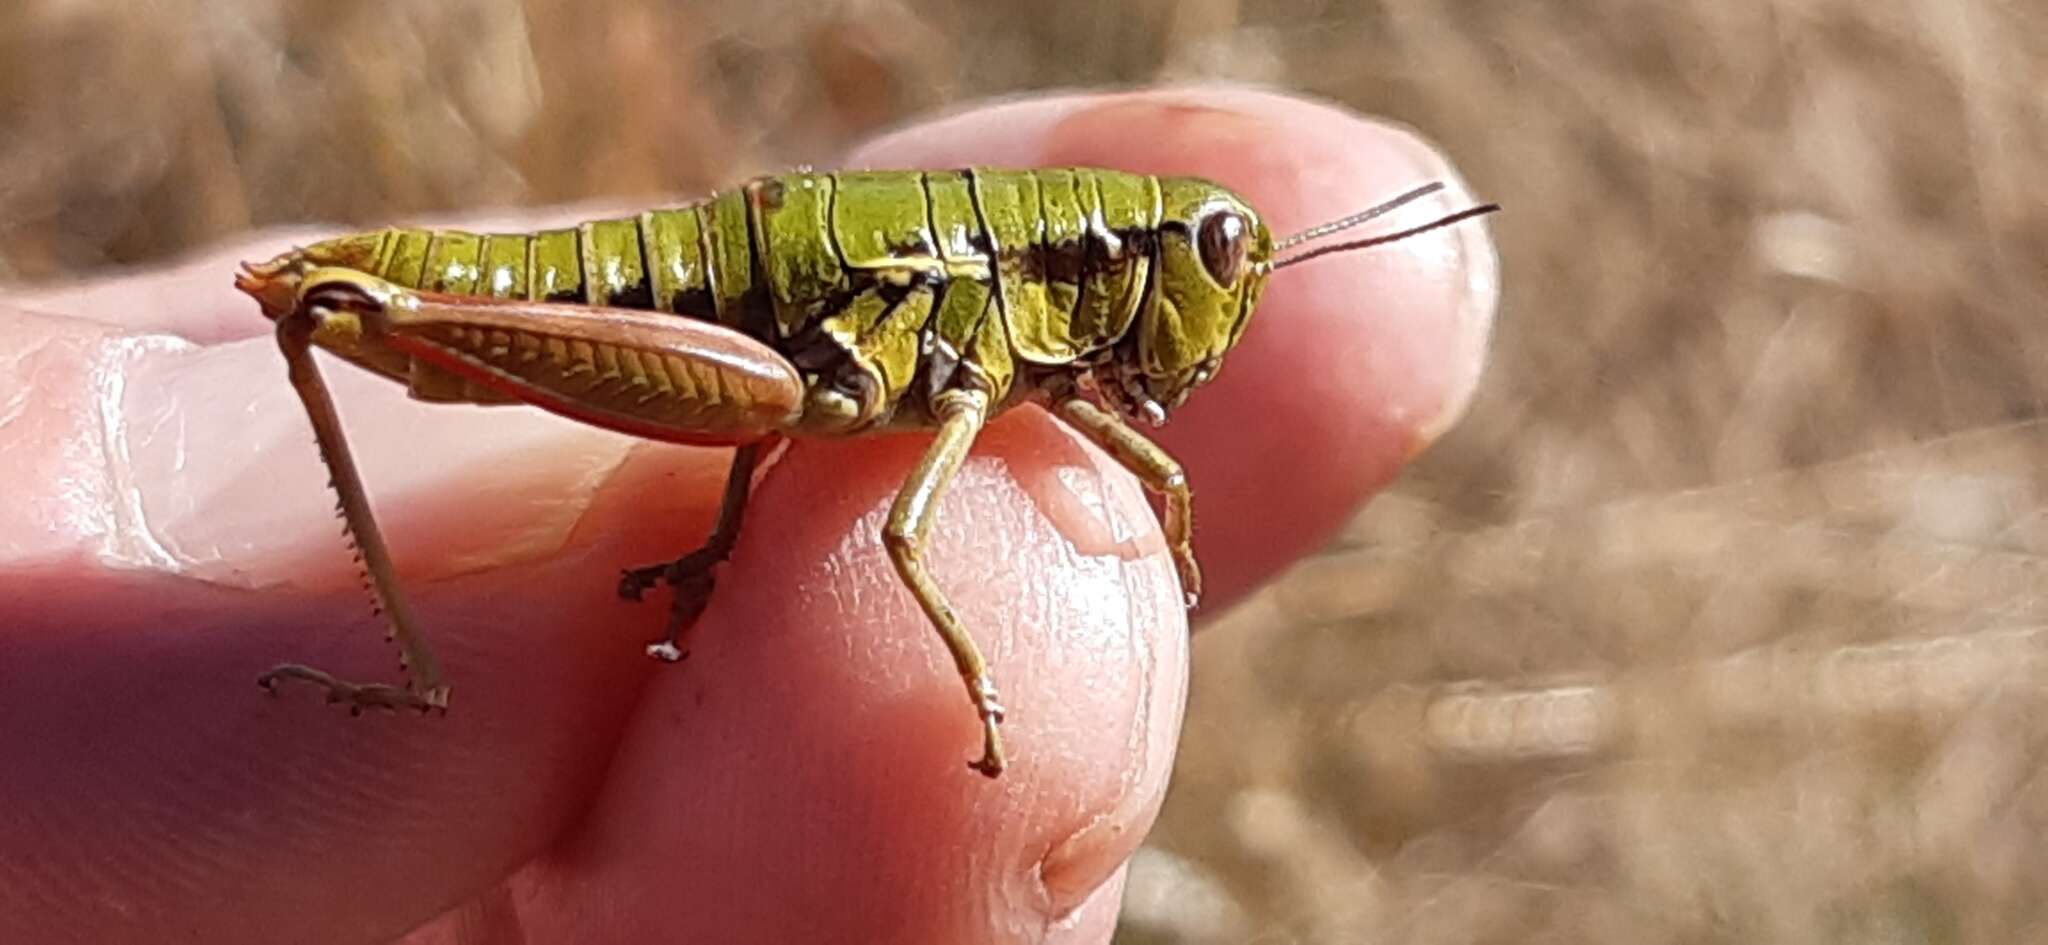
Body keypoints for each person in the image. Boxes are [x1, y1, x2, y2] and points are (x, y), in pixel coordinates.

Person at [0, 86, 1498, 944]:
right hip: (651, 311)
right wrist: (974, 670)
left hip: (769, 352)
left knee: (793, 409)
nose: (1212, 313)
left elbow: (797, 408)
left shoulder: (1030, 354)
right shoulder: (980, 337)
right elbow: (897, 524)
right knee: (350, 316)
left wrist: (726, 541)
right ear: (1105, 257)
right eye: (1212, 262)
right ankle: (413, 664)